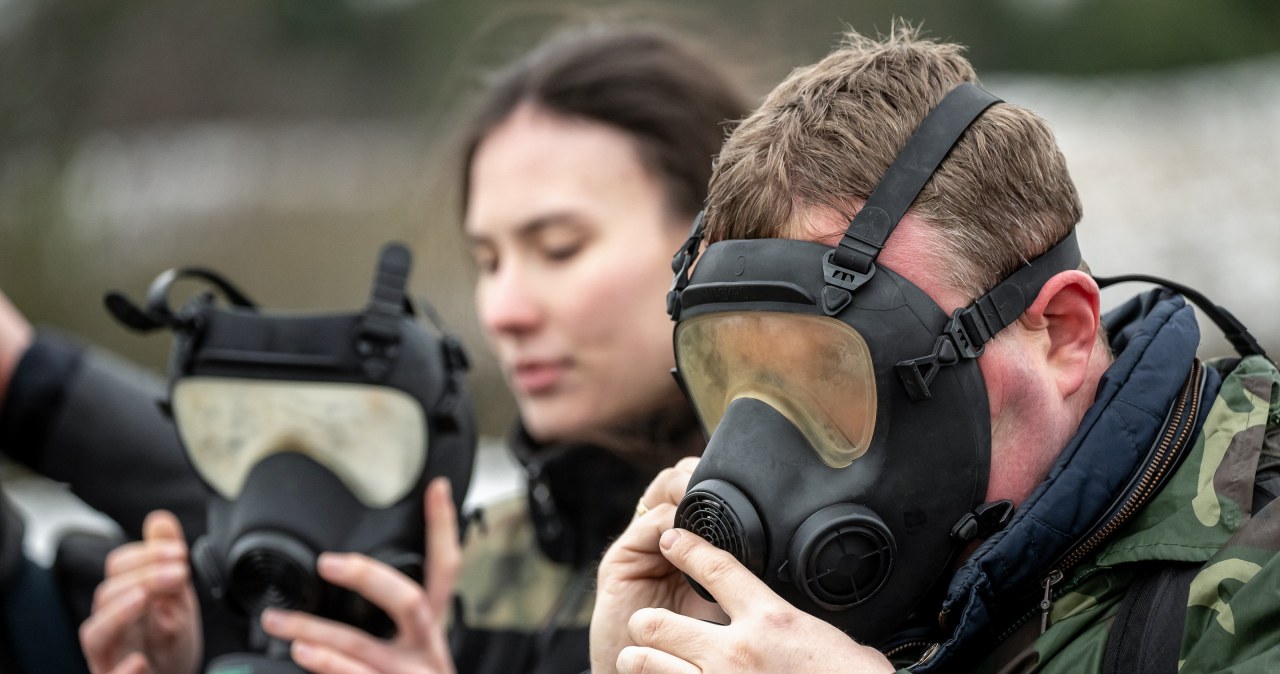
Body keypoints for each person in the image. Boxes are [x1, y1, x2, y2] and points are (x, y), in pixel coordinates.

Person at [0, 23, 749, 674]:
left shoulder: (797, 579)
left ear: (711, 245)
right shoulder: (465, 564)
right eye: (486, 260)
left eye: (558, 248)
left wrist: (33, 378)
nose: (503, 310)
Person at [588, 25, 1280, 674]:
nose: (761, 453)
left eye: (834, 372)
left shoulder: (1258, 575)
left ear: (1064, 332)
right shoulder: (796, 631)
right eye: (737, 377)